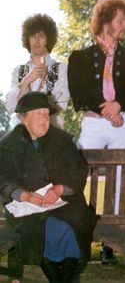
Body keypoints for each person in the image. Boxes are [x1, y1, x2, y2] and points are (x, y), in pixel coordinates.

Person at [0, 92, 96, 282]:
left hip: (65, 203)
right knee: (39, 229)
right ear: (24, 118)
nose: (44, 119)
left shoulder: (62, 140)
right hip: (26, 208)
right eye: (38, 114)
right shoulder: (8, 145)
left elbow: (78, 170)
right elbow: (3, 177)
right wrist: (23, 195)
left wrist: (60, 189)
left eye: (46, 114)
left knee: (74, 223)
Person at [67, 0, 125, 150]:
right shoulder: (79, 58)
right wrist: (109, 112)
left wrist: (118, 105)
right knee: (79, 170)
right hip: (93, 124)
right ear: (105, 21)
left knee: (119, 174)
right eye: (121, 20)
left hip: (122, 124)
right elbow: (80, 92)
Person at [6, 13, 69, 129]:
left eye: (41, 36)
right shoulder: (18, 71)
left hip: (52, 130)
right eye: (32, 36)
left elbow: (61, 104)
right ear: (27, 39)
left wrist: (27, 108)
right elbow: (10, 107)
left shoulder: (61, 68)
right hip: (22, 134)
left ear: (48, 39)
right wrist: (26, 81)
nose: (36, 40)